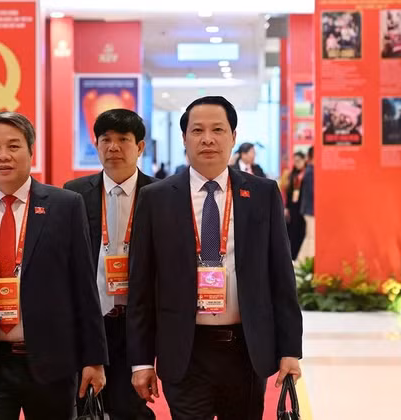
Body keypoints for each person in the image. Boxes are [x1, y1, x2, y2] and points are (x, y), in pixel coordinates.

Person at [127, 96, 303, 419]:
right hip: (185, 350)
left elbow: (281, 277)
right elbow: (141, 286)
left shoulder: (263, 194)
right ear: (184, 138)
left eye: (218, 130)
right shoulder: (156, 198)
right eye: (197, 130)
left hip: (246, 350)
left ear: (233, 137)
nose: (207, 139)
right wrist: (141, 361)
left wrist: (290, 349)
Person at [0, 111, 107, 420]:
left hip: (52, 363)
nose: (3, 155)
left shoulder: (65, 206)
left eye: (13, 146)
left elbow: (84, 288)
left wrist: (94, 359)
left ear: (31, 151)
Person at [64, 109, 156, 420]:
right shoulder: (74, 194)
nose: (113, 147)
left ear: (139, 147)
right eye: (106, 140)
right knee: (85, 403)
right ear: (96, 144)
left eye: (123, 140)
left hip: (138, 321)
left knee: (131, 407)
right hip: (91, 319)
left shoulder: (159, 194)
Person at [285, 152, 307, 259]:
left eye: (298, 161)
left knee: (302, 231)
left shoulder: (307, 174)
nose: (296, 163)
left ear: (304, 160)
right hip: (293, 207)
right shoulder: (293, 175)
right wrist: (286, 207)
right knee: (293, 231)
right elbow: (289, 192)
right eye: (295, 161)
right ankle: (292, 255)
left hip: (303, 206)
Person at [297, 146, 315, 263]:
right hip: (310, 210)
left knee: (310, 237)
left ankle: (303, 261)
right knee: (311, 237)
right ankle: (305, 262)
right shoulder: (310, 172)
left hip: (309, 210)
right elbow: (313, 192)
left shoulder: (309, 170)